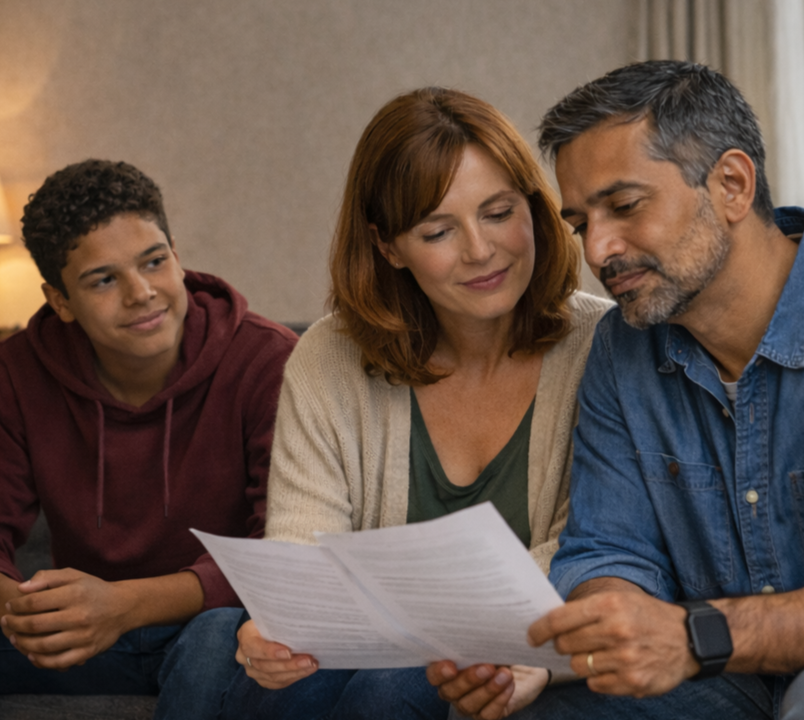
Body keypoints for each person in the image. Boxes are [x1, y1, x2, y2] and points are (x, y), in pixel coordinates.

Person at [429, 59, 804, 719]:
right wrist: (592, 637)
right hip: (732, 682)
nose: (598, 250)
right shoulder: (623, 350)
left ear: (732, 184)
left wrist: (695, 634)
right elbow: (611, 552)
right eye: (580, 224)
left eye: (625, 206)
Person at [217, 87, 612, 720]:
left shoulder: (604, 344)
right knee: (260, 673)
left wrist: (418, 613)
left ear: (535, 210)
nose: (480, 250)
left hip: (531, 645)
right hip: (369, 647)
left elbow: (592, 546)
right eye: (437, 231)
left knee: (392, 688)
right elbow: (302, 545)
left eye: (498, 211)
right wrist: (277, 628)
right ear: (388, 246)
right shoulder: (329, 356)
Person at [0, 159, 297, 720]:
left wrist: (123, 605)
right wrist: (21, 609)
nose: (142, 293)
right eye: (103, 279)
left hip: (206, 626)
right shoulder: (18, 372)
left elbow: (283, 552)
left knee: (220, 637)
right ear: (59, 300)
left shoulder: (268, 360)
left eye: (154, 261)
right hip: (87, 641)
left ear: (177, 254)